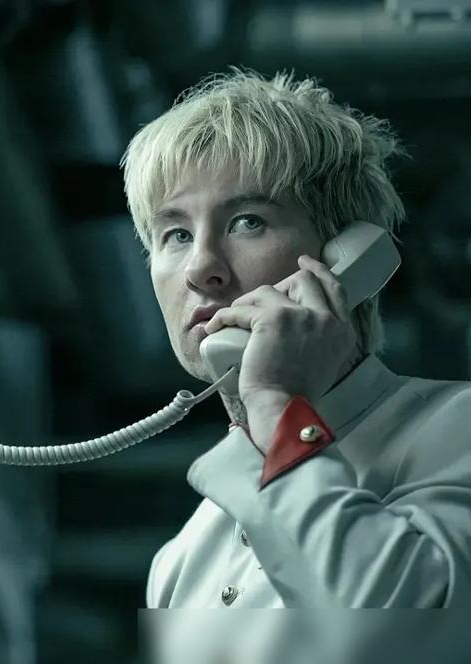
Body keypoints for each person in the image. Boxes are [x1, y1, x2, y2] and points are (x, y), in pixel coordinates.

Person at [120, 69, 471, 618]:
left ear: (348, 254)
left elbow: (398, 629)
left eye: (247, 222)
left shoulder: (458, 430)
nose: (200, 268)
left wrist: (276, 405)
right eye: (177, 235)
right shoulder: (179, 563)